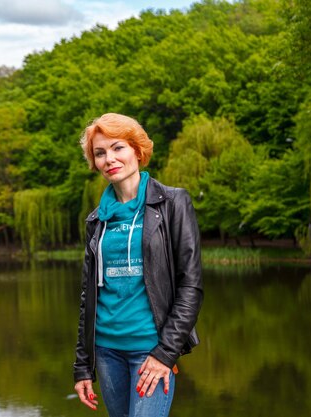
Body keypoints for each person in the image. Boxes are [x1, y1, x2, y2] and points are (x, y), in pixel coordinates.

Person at [73, 113, 203, 417]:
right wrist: (82, 365)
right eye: (100, 153)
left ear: (137, 150)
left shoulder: (172, 203)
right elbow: (88, 296)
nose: (109, 159)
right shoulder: (96, 220)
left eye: (118, 148)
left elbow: (191, 286)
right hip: (107, 351)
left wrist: (165, 353)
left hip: (151, 349)